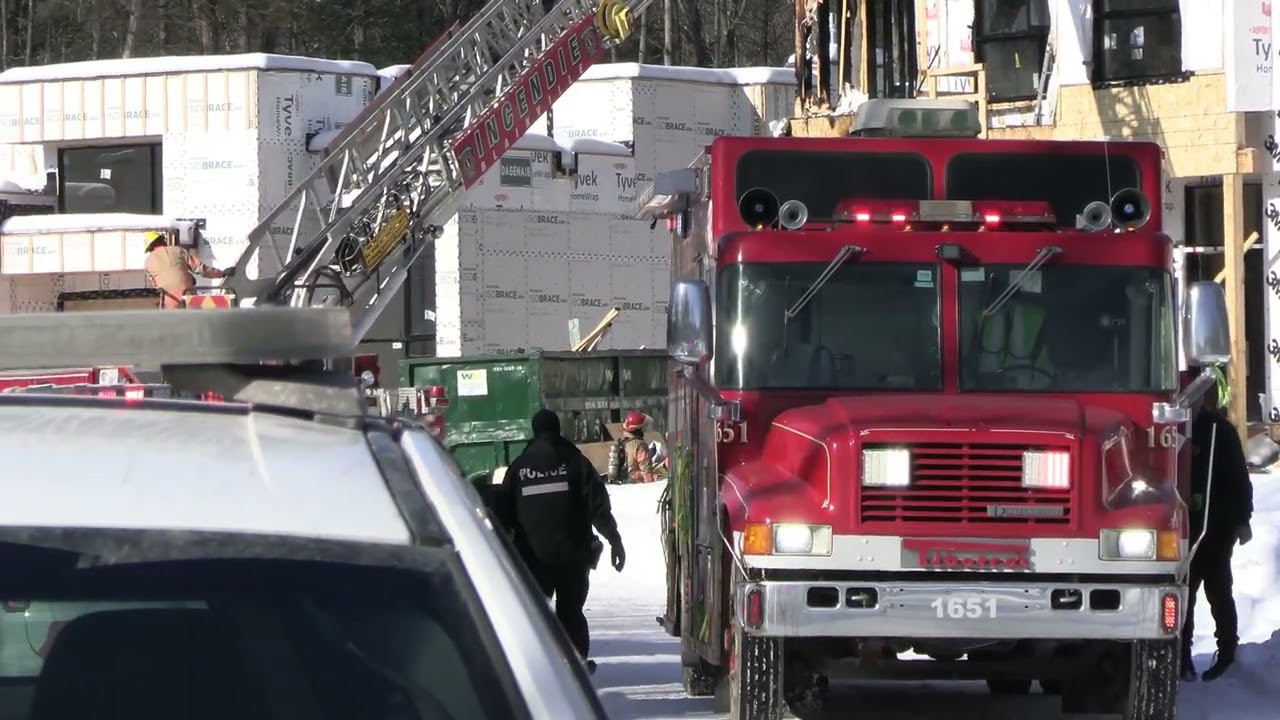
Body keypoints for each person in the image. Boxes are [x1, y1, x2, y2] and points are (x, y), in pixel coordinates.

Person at [498, 408, 625, 673]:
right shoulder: (576, 463)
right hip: (573, 556)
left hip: (533, 558)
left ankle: (538, 667)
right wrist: (614, 540)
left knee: (536, 612)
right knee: (571, 611)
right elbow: (598, 507)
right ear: (558, 430)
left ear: (535, 431)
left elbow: (503, 512)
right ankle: (577, 664)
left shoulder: (519, 468)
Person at [1181, 374, 1254, 682]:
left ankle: (1226, 652)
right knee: (1184, 596)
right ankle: (1182, 657)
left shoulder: (1220, 432)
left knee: (1219, 591)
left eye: (1199, 397)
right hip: (1184, 528)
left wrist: (1242, 519)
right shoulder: (1176, 430)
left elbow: (1239, 477)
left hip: (1216, 525)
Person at [142, 230, 233, 308]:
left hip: (169, 301)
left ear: (149, 247)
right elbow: (200, 268)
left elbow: (155, 286)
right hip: (188, 296)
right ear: (162, 240)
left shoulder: (147, 262)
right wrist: (222, 273)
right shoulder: (178, 250)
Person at [607, 411, 656, 484]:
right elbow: (646, 470)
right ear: (639, 428)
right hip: (635, 486)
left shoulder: (620, 442)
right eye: (644, 427)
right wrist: (651, 486)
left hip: (621, 485)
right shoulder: (640, 445)